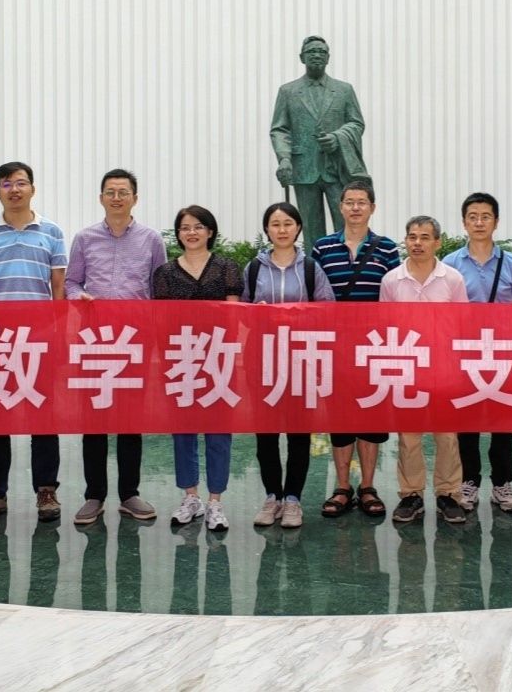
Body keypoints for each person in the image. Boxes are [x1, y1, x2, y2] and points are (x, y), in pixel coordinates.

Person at [0, 162, 68, 526]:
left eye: (21, 183)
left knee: (44, 418)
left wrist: (59, 335)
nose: (14, 190)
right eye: (6, 184)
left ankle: (46, 491)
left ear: (32, 189)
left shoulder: (52, 232)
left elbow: (58, 288)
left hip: (40, 339)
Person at [65, 168, 168, 525]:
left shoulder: (152, 240)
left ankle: (129, 494)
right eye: (110, 192)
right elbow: (71, 282)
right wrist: (79, 297)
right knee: (93, 418)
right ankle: (94, 495)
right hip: (94, 340)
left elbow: (159, 290)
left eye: (123, 192)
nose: (117, 198)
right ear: (101, 198)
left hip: (134, 340)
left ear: (135, 198)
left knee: (130, 419)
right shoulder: (84, 238)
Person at [309, 179, 401, 518]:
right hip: (335, 348)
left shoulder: (387, 248)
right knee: (341, 419)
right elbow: (313, 295)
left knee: (372, 417)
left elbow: (395, 295)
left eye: (362, 202)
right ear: (341, 207)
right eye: (349, 202)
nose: (355, 208)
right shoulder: (322, 247)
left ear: (372, 208)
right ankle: (342, 486)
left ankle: (368, 487)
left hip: (375, 347)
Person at [244, 201, 335, 529]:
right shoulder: (254, 269)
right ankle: (273, 496)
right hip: (263, 358)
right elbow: (239, 312)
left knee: (299, 432)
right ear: (267, 230)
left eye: (287, 224)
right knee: (265, 434)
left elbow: (327, 309)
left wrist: (302, 315)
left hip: (301, 358)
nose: (281, 230)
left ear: (297, 228)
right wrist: (256, 312)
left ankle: (293, 499)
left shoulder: (311, 268)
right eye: (275, 224)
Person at [152, 205, 243, 531]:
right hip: (181, 359)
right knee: (183, 431)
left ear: (210, 231)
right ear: (178, 234)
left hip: (219, 358)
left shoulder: (227, 268)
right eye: (185, 228)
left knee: (219, 432)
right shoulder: (164, 273)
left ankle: (215, 501)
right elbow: (161, 320)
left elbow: (234, 318)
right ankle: (190, 497)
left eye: (198, 227)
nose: (191, 233)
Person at [380, 216, 469, 525]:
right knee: (409, 436)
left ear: (437, 243)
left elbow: (462, 325)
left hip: (444, 367)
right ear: (406, 241)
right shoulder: (392, 280)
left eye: (424, 237)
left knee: (447, 436)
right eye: (412, 237)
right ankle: (411, 494)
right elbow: (385, 326)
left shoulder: (452, 279)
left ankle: (448, 494)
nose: (417, 243)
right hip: (406, 366)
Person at [442, 192, 512, 513]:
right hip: (463, 352)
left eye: (486, 216)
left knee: (503, 419)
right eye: (473, 217)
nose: (479, 222)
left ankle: (502, 483)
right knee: (467, 418)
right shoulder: (450, 263)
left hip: (502, 350)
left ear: (496, 222)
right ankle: (469, 481)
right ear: (464, 222)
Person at [270, 35, 372, 243]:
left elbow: (356, 123)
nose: (316, 55)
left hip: (337, 167)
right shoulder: (288, 91)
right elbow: (279, 129)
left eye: (321, 52)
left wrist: (337, 137)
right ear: (302, 57)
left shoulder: (344, 90)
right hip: (303, 168)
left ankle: (346, 261)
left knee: (345, 225)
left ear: (328, 58)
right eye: (311, 52)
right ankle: (313, 263)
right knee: (310, 228)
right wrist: (284, 159)